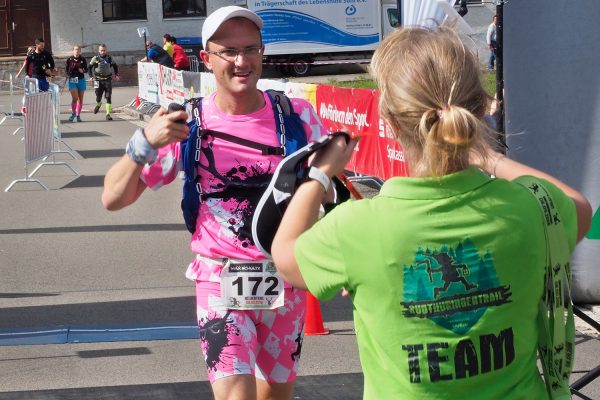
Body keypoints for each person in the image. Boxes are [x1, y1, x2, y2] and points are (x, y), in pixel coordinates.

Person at [271, 27, 592, 399]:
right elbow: (578, 207)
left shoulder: (358, 228)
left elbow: (285, 256)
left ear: (389, 122)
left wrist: (318, 174)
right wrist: (489, 156)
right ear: (477, 112)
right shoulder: (529, 206)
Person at [101, 6, 327, 400]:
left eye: (251, 49)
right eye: (229, 52)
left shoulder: (297, 117)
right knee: (236, 396)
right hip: (219, 281)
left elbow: (329, 192)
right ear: (207, 59)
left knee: (275, 396)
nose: (241, 62)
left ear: (262, 53)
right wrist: (143, 145)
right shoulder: (187, 126)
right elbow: (113, 198)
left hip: (286, 282)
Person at [89, 44, 120, 121]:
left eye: (104, 50)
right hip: (97, 80)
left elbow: (115, 66)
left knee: (108, 97)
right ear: (99, 51)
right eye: (101, 50)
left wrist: (116, 74)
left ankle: (108, 114)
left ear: (106, 50)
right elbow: (89, 67)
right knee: (98, 96)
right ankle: (98, 104)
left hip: (107, 80)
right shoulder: (95, 58)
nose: (103, 52)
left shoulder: (109, 58)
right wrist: (91, 76)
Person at [65, 45, 88, 122]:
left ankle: (78, 115)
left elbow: (86, 69)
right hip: (72, 80)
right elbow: (66, 70)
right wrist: (69, 71)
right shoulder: (69, 59)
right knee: (75, 98)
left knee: (80, 99)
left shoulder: (83, 59)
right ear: (73, 50)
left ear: (80, 51)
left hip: (81, 80)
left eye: (78, 50)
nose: (77, 51)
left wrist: (83, 71)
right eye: (75, 49)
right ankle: (73, 113)